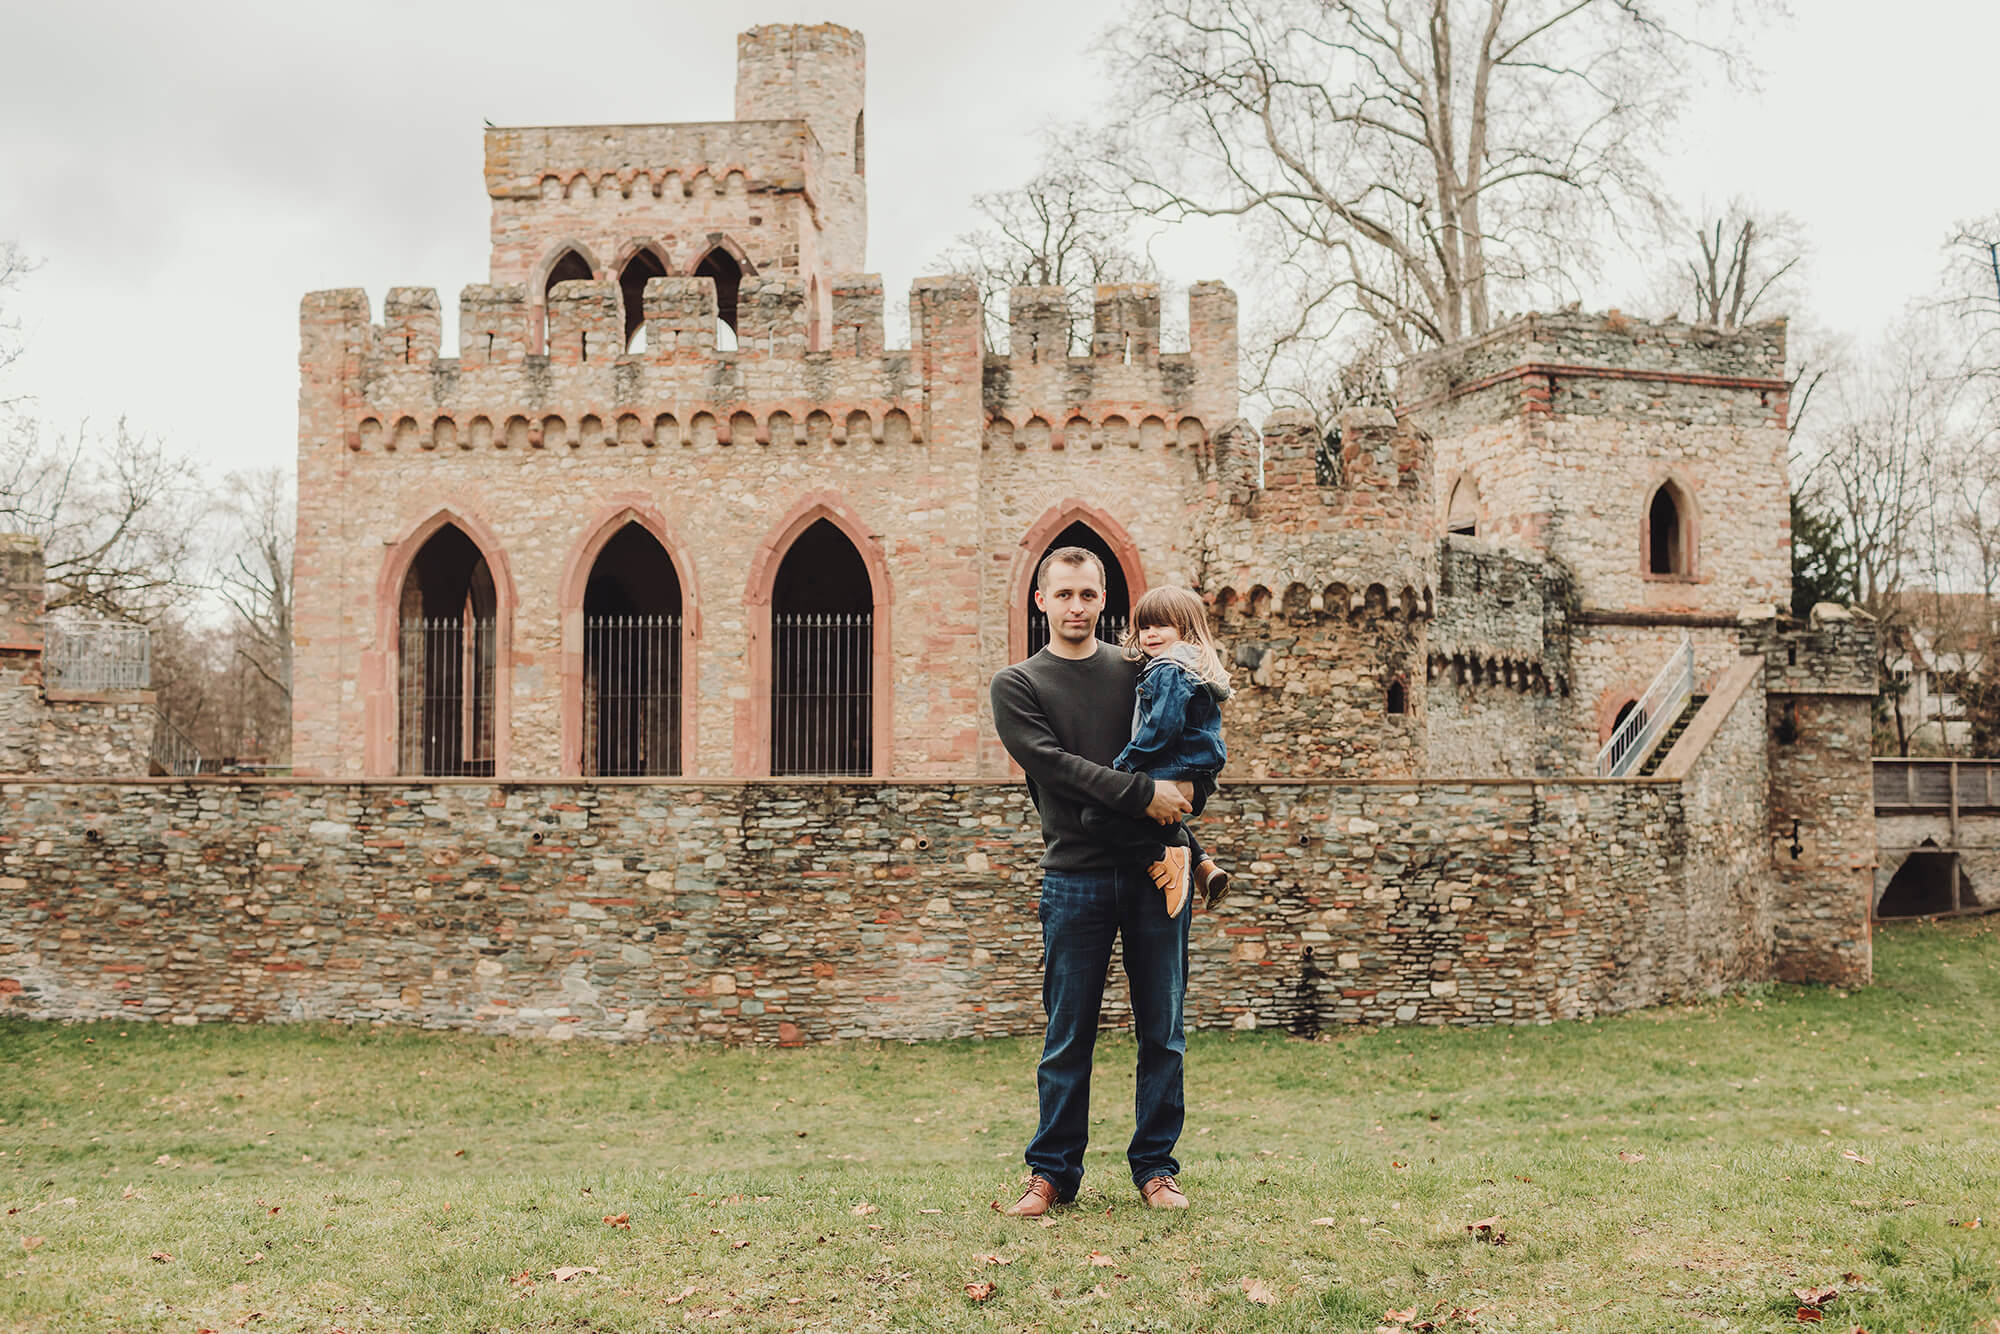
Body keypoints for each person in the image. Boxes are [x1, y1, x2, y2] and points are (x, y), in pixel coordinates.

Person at [989, 546, 1197, 1217]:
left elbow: (1192, 743)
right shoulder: (1017, 685)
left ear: (1104, 600)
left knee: (1162, 1029)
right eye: (1063, 595)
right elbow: (1054, 767)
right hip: (1073, 877)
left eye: (1087, 594)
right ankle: (1051, 1174)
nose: (1075, 607)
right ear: (1040, 601)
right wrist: (1144, 794)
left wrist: (1190, 791)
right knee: (1067, 1033)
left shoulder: (1140, 672)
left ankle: (1156, 1170)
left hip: (1156, 871)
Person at [1080, 586, 1233, 918]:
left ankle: (1165, 859)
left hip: (1172, 766)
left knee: (1096, 815)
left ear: (1185, 630)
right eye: (1145, 627)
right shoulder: (1192, 665)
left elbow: (1162, 726)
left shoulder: (1169, 669)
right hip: (1194, 767)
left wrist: (1125, 764)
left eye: (1161, 626)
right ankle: (1204, 865)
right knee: (1163, 818)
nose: (1150, 635)